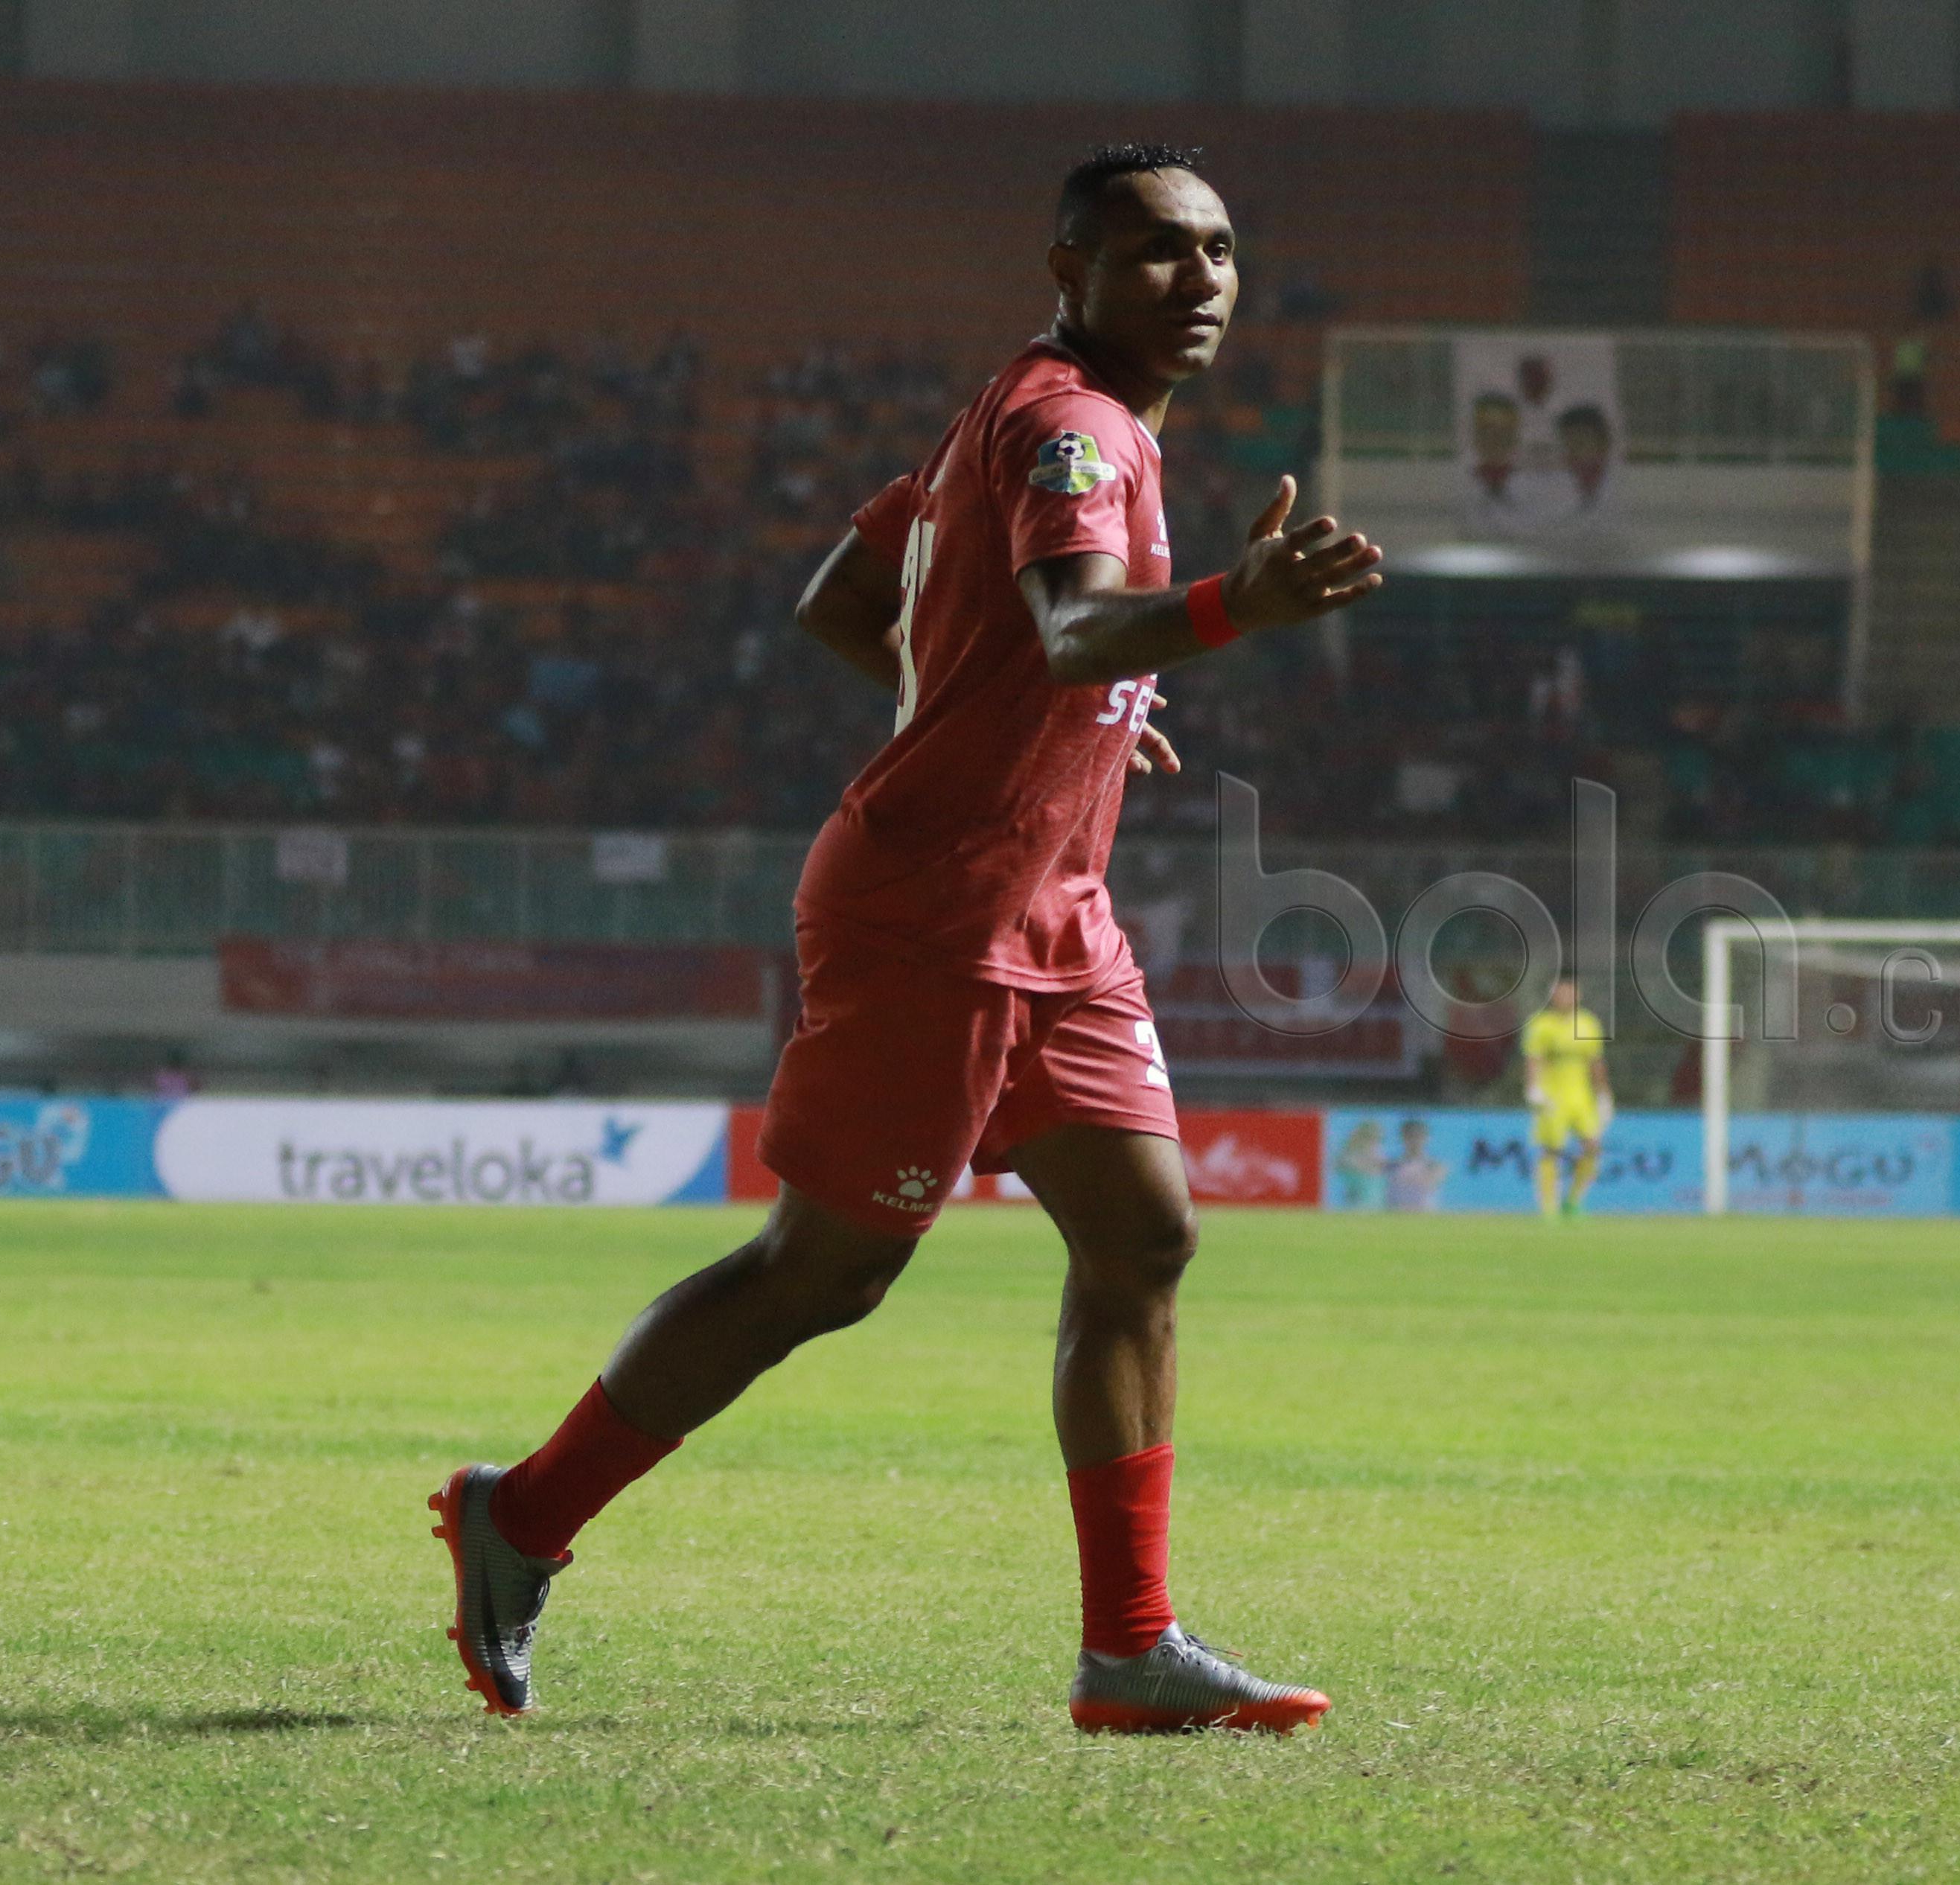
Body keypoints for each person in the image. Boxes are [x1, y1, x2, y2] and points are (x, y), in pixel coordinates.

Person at [427, 144, 1383, 1736]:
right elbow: (1076, 622)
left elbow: (845, 597)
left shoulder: (1013, 413)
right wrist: (1228, 613)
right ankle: (518, 1515)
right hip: (935, 907)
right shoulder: (1073, 429)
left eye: (1218, 251)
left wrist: (1043, 719)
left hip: (1051, 910)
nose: (1199, 281)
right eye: (1155, 252)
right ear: (1068, 267)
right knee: (826, 1274)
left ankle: (1129, 1653)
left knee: (1143, 1240)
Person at [1521, 975, 1610, 1219]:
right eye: (1561, 993)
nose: (1565, 998)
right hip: (1552, 1097)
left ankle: (1572, 1202)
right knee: (1551, 1150)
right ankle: (1549, 1209)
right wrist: (1533, 1088)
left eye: (1570, 993)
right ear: (1552, 996)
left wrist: (1604, 1096)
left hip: (1581, 1098)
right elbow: (1533, 1059)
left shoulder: (1588, 1024)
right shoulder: (1541, 1025)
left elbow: (1596, 1062)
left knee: (1593, 1146)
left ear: (1578, 996)